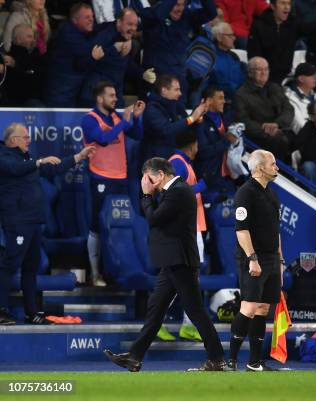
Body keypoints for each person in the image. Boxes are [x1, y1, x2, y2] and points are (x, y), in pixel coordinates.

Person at [104, 157, 230, 372]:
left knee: (195, 311)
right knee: (155, 310)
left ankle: (217, 359)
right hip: (171, 261)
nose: (148, 183)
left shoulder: (179, 191)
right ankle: (135, 357)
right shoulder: (173, 192)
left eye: (149, 178)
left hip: (179, 261)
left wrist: (146, 194)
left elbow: (153, 218)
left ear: (160, 175)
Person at [0, 123, 95, 325]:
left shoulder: (28, 159)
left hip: (34, 222)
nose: (29, 140)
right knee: (9, 266)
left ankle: (31, 312)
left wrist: (78, 157)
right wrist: (39, 161)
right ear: (13, 140)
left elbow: (54, 168)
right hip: (17, 222)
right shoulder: (5, 157)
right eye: (25, 137)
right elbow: (15, 169)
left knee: (31, 269)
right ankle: (1, 310)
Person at [81, 81, 145, 287]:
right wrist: (125, 123)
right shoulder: (89, 119)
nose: (115, 99)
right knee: (97, 225)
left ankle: (116, 271)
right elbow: (103, 139)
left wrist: (136, 118)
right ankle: (94, 273)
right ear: (99, 98)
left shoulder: (117, 116)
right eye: (111, 95)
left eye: (115, 95)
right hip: (100, 178)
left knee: (121, 225)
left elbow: (137, 134)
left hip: (121, 178)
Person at [228, 149, 284, 372]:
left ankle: (254, 362)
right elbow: (241, 231)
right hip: (253, 258)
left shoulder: (271, 193)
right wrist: (252, 259)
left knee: (262, 308)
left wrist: (280, 259)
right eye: (272, 163)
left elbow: (276, 230)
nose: (276, 167)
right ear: (260, 168)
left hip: (271, 258)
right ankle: (230, 359)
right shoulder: (245, 193)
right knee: (249, 306)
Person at [163, 130, 208, 342]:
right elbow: (172, 192)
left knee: (190, 280)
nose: (198, 147)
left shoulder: (183, 162)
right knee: (181, 279)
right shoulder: (177, 162)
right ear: (191, 144)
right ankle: (158, 322)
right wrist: (202, 186)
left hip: (193, 227)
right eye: (197, 143)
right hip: (186, 230)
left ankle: (188, 325)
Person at [247, 0, 316, 84]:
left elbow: (311, 27)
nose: (287, 7)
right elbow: (254, 54)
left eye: (288, 3)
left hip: (285, 76)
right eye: (282, 3)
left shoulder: (292, 23)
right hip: (265, 77)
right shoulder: (259, 25)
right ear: (273, 6)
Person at [140, 0, 217, 103]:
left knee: (179, 117)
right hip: (156, 80)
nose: (180, 9)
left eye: (182, 4)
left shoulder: (187, 16)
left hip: (179, 81)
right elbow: (158, 14)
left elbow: (211, 12)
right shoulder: (150, 15)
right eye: (176, 4)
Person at [233, 57, 294, 163]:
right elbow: (243, 121)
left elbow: (289, 109)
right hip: (259, 137)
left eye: (266, 69)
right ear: (250, 73)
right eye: (259, 69)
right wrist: (264, 128)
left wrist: (277, 124)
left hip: (280, 129)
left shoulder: (275, 88)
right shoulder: (241, 94)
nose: (264, 72)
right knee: (279, 140)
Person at [79, 8, 143, 108]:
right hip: (96, 96)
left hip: (115, 96)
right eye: (129, 24)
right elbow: (83, 63)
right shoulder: (103, 36)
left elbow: (126, 65)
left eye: (135, 25)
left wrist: (142, 74)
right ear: (119, 22)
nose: (133, 28)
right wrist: (113, 49)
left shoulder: (126, 38)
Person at [141, 75, 208, 163]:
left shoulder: (176, 106)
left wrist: (198, 116)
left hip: (174, 159)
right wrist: (192, 118)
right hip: (156, 163)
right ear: (164, 90)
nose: (180, 93)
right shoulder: (152, 109)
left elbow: (185, 126)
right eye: (176, 89)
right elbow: (166, 130)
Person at [45, 3, 98, 107]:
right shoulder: (67, 34)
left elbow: (100, 29)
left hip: (72, 92)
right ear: (75, 20)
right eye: (87, 17)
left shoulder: (79, 30)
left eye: (92, 16)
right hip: (60, 94)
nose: (91, 20)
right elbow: (88, 49)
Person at [195, 86, 239, 191]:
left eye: (224, 98)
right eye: (220, 98)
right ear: (209, 100)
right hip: (209, 178)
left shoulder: (225, 118)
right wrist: (227, 141)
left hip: (228, 177)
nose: (223, 101)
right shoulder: (200, 122)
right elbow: (203, 152)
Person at [4, 24, 46, 106]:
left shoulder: (37, 55)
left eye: (33, 37)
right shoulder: (9, 58)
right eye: (29, 37)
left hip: (41, 97)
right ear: (18, 39)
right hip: (21, 102)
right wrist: (17, 66)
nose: (33, 40)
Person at [206, 22, 245, 101]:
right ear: (219, 37)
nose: (234, 38)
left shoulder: (234, 56)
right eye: (230, 35)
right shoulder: (209, 57)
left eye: (233, 35)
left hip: (237, 99)